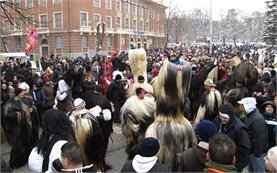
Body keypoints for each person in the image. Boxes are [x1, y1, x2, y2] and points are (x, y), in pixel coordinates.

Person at [67, 98, 111, 171]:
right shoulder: (90, 117)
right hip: (91, 150)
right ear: (83, 105)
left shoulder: (70, 117)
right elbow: (106, 119)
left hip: (76, 149)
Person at [2, 87, 38, 169]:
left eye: (23, 93)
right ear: (17, 94)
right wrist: (20, 114)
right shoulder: (9, 104)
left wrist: (32, 109)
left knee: (26, 144)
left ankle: (25, 159)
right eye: (21, 93)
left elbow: (31, 108)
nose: (23, 94)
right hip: (17, 130)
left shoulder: (24, 101)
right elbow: (5, 116)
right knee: (18, 146)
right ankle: (16, 163)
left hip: (26, 128)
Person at [214, 103, 250, 171]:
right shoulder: (218, 120)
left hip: (233, 164)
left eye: (225, 118)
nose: (222, 119)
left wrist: (238, 167)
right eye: (221, 117)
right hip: (219, 160)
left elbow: (244, 149)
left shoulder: (240, 129)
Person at [237, 97, 268, 172]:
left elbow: (260, 137)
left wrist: (257, 154)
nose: (240, 107)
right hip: (252, 151)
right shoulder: (250, 116)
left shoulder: (257, 118)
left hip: (257, 153)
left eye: (242, 105)